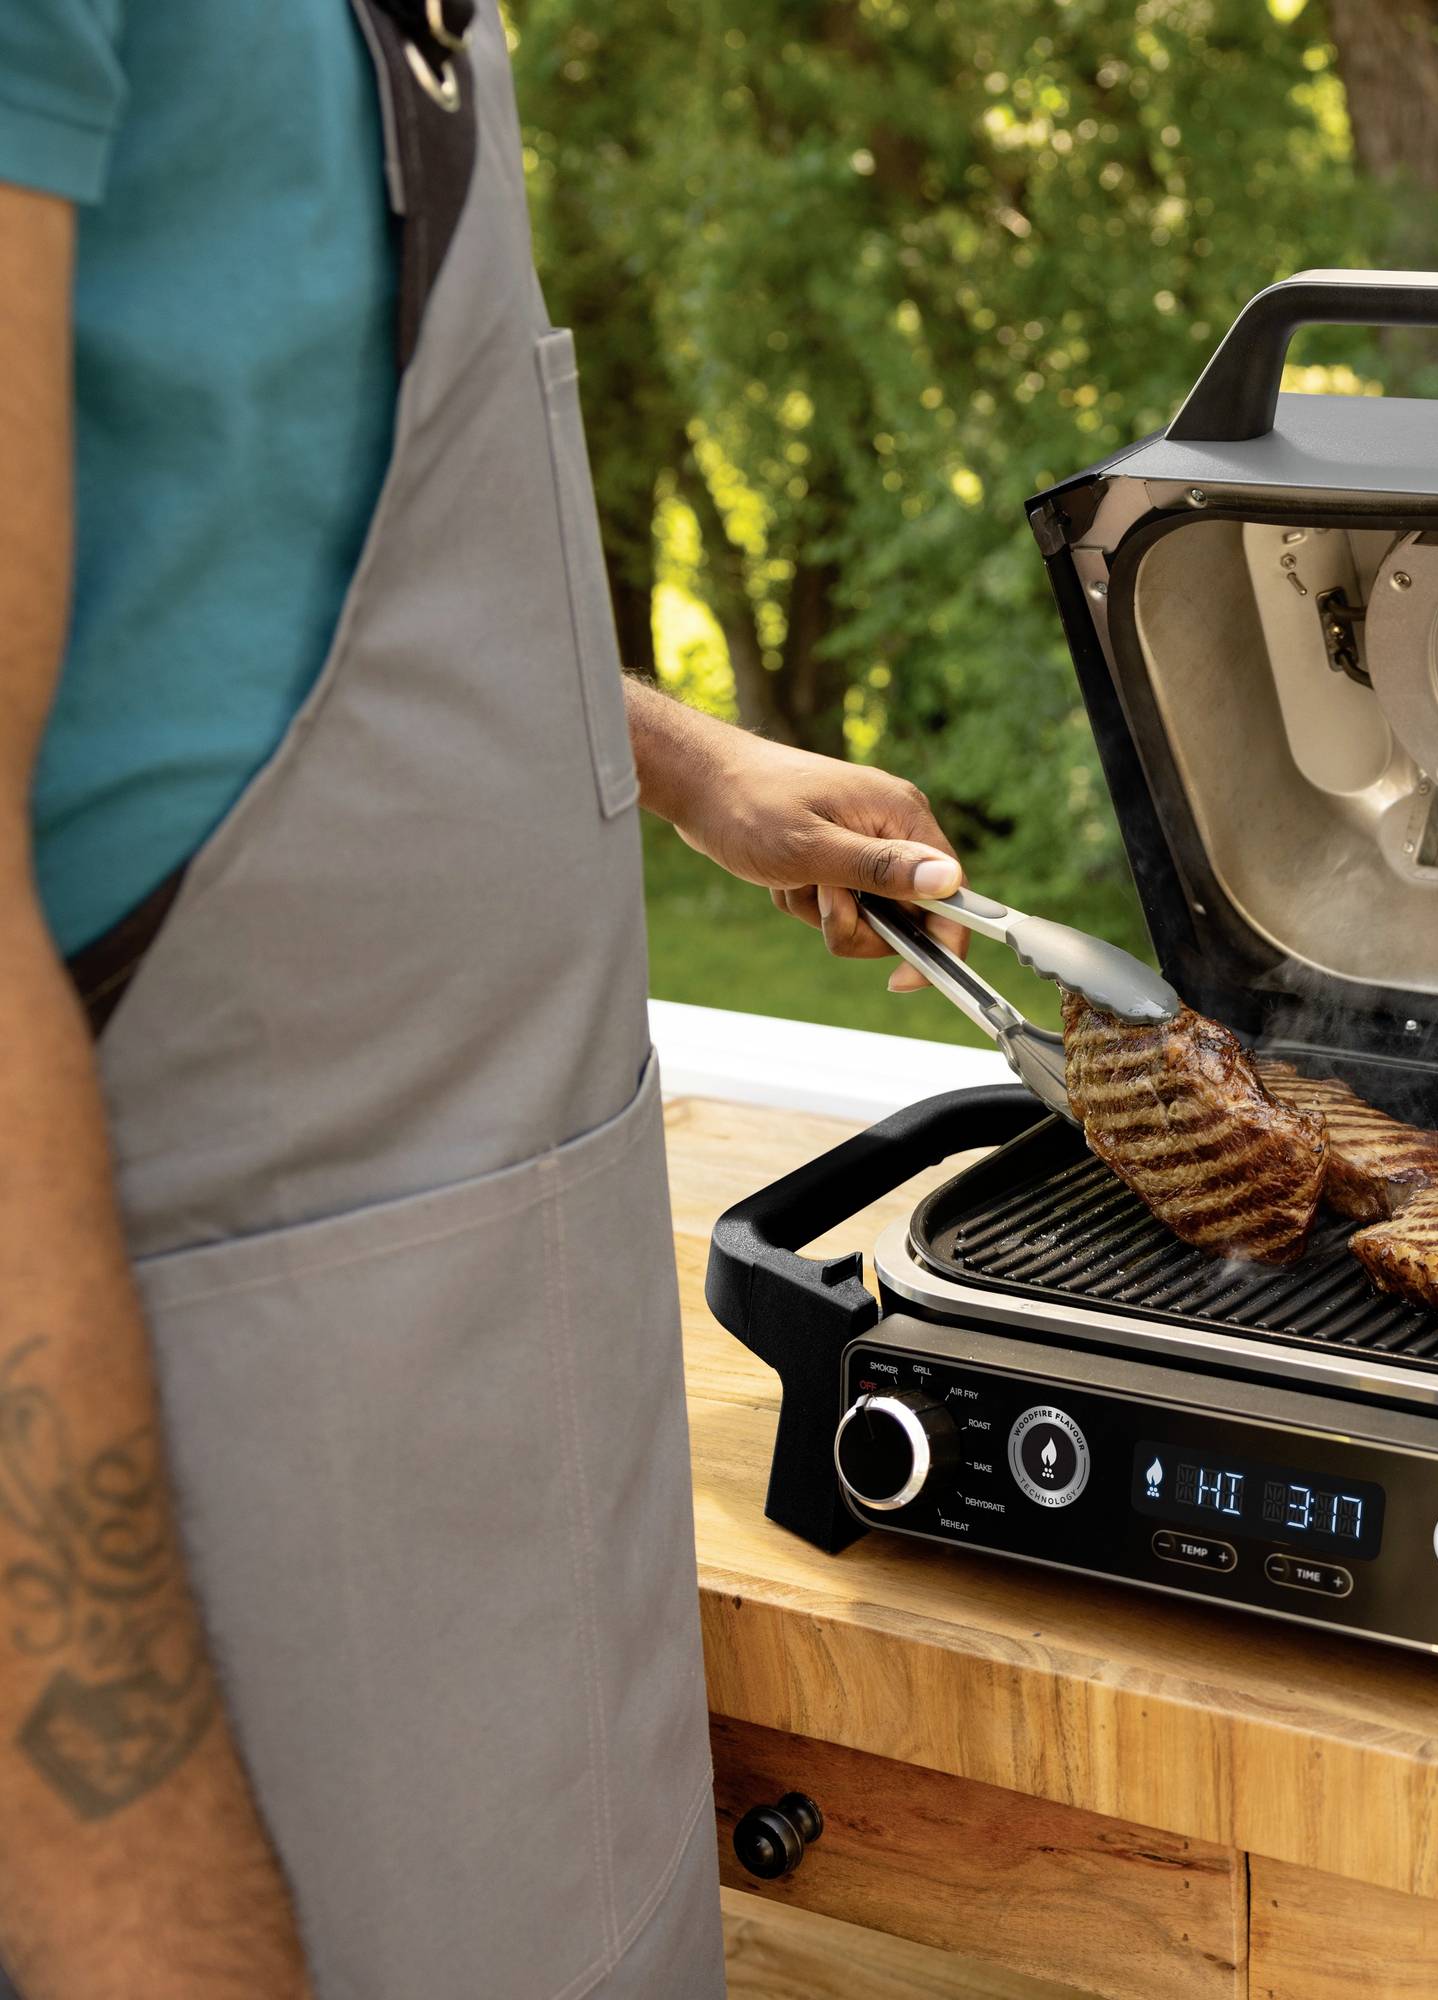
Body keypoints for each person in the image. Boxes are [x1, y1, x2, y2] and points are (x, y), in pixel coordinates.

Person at [0, 4, 972, 1991]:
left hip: (509, 1497)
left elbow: (224, 497)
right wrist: (140, 1921)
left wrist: (674, 758)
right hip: (229, 1582)